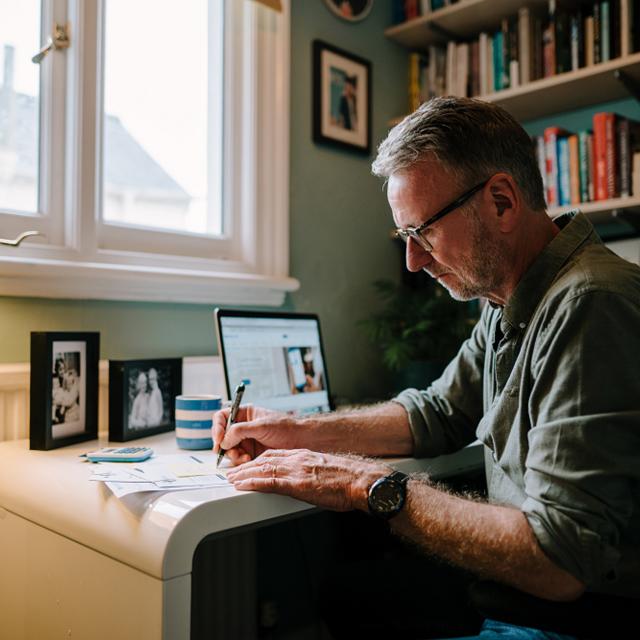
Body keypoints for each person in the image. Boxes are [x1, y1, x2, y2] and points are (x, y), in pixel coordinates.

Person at [213, 97, 640, 639]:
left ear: (503, 202)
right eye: (405, 238)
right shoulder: (512, 298)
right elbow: (436, 413)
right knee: (345, 594)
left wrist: (362, 484)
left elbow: (558, 559)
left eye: (424, 232)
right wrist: (293, 431)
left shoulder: (590, 304)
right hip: (515, 595)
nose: (413, 262)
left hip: (572, 618)